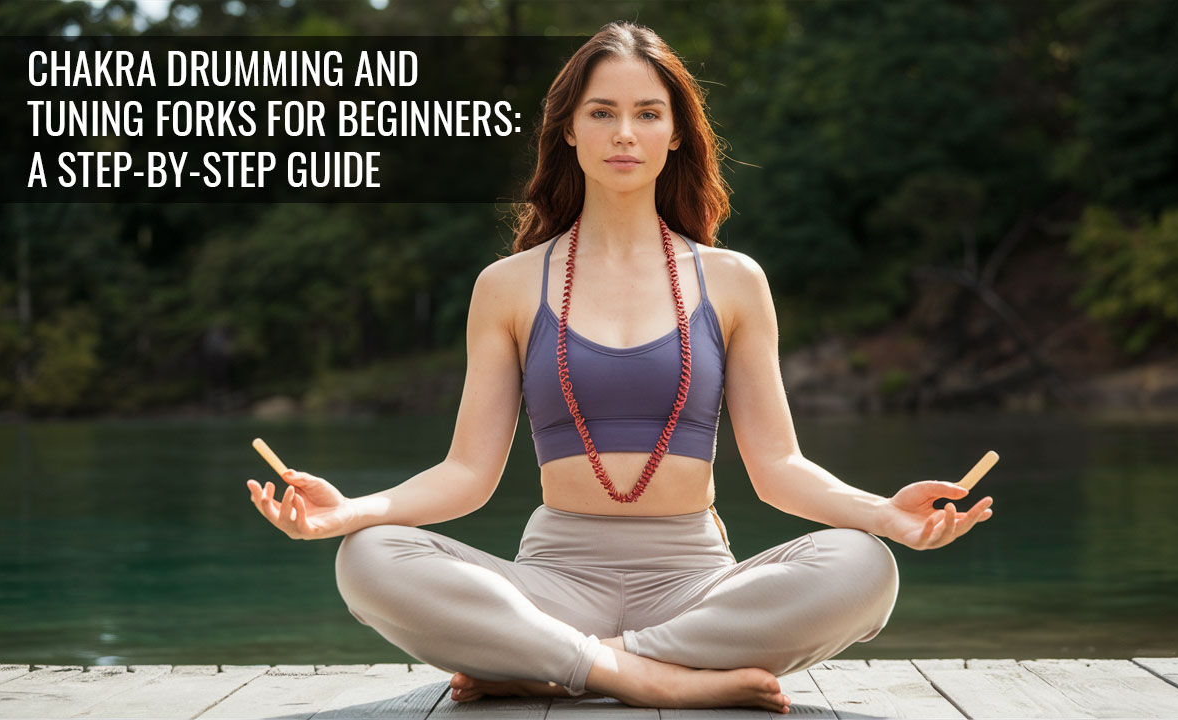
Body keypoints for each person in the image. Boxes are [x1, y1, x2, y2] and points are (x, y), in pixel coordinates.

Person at [246, 20, 995, 714]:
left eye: (647, 113)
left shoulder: (733, 280)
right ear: (568, 130)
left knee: (865, 569)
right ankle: (641, 676)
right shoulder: (507, 287)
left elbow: (779, 468)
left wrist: (881, 513)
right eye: (601, 112)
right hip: (550, 582)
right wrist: (352, 511)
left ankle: (571, 665)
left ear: (676, 135)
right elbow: (467, 475)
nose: (624, 133)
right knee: (369, 559)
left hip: (697, 583)